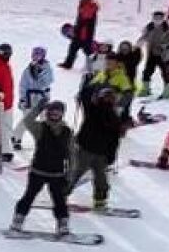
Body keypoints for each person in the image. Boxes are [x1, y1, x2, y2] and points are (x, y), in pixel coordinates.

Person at [10, 101, 73, 235]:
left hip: (57, 173)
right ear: (48, 112)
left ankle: (62, 223)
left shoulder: (67, 131)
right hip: (38, 170)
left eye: (58, 111)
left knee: (60, 200)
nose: (55, 114)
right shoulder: (40, 128)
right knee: (29, 196)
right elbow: (27, 121)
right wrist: (38, 108)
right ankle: (18, 219)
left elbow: (71, 153)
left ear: (62, 113)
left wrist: (70, 171)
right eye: (52, 111)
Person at [69, 85, 128, 212]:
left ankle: (100, 200)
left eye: (110, 99)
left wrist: (111, 156)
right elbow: (85, 96)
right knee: (75, 173)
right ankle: (61, 194)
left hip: (102, 154)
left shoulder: (114, 119)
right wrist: (91, 83)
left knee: (101, 179)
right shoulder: (92, 109)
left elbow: (114, 140)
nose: (107, 101)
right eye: (105, 98)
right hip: (85, 150)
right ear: (100, 98)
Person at [13, 46, 53, 150]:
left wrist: (40, 73)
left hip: (42, 97)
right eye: (34, 55)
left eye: (38, 55)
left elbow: (48, 82)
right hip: (29, 97)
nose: (36, 57)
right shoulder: (27, 70)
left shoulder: (47, 68)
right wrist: (22, 99)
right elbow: (23, 85)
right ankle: (16, 138)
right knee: (27, 119)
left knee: (45, 119)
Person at [137, 10, 169, 99]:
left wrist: (165, 45)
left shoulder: (167, 28)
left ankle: (168, 90)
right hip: (152, 53)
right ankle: (145, 88)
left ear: (163, 19)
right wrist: (139, 43)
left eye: (160, 18)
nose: (157, 20)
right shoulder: (149, 27)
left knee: (165, 73)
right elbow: (145, 36)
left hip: (164, 55)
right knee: (147, 71)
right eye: (156, 18)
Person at [59, 0, 99, 69]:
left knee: (88, 52)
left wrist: (78, 28)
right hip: (79, 32)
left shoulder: (91, 6)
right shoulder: (83, 4)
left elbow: (86, 16)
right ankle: (68, 64)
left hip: (86, 34)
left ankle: (95, 66)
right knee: (72, 49)